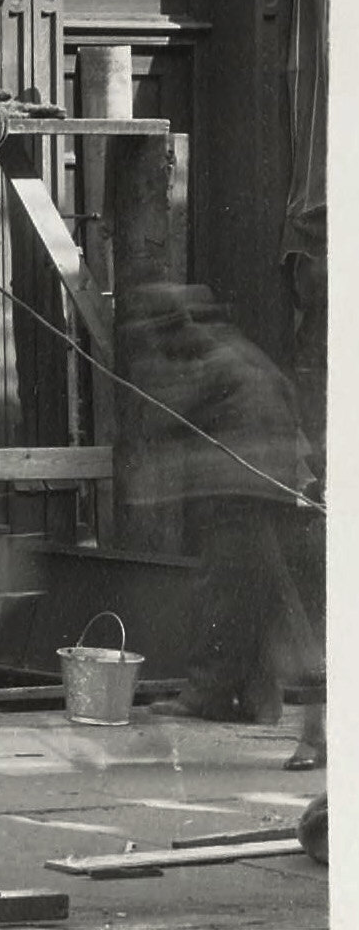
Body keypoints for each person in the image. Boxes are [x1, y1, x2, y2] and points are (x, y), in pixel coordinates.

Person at [117, 281, 322, 727]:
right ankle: (259, 698)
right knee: (255, 597)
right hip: (266, 492)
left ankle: (207, 694)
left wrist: (150, 375)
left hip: (240, 496)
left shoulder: (217, 363)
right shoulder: (245, 354)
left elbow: (170, 414)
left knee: (223, 596)